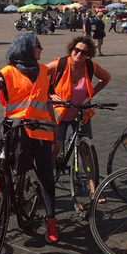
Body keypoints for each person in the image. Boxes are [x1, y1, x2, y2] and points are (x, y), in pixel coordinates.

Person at [0, 33, 60, 243]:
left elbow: (48, 100)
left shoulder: (43, 71)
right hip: (15, 128)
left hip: (41, 129)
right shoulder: (7, 72)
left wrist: (54, 129)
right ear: (25, 48)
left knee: (45, 176)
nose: (41, 50)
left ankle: (51, 221)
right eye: (38, 46)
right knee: (3, 163)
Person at [46, 36, 112, 195]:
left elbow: (106, 78)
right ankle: (47, 186)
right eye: (77, 50)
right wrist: (49, 94)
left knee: (86, 149)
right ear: (71, 50)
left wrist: (91, 94)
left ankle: (93, 189)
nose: (79, 54)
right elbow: (39, 75)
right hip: (59, 112)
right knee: (55, 149)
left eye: (84, 52)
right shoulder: (60, 64)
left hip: (81, 111)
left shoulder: (90, 67)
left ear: (89, 54)